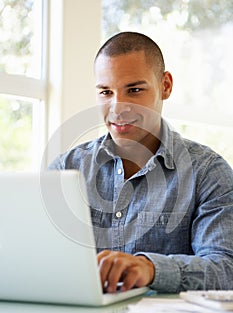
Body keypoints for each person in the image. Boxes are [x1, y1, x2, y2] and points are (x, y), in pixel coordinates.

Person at [49, 31, 233, 294]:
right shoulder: (64, 170)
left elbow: (225, 269)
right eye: (106, 92)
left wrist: (151, 269)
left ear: (165, 86)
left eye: (134, 90)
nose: (118, 108)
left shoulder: (209, 173)